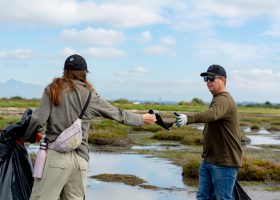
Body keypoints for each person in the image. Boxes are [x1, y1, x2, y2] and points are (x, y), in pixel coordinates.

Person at [22, 54, 156, 200]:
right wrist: (142, 119)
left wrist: (26, 137)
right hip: (80, 160)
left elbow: (38, 119)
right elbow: (117, 114)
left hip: (55, 158)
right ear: (84, 73)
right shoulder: (91, 96)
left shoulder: (53, 89)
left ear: (65, 71)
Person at [175, 65, 242, 200]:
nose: (208, 81)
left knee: (223, 198)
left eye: (211, 78)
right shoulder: (217, 98)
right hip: (209, 160)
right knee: (202, 197)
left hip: (224, 162)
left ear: (222, 80)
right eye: (206, 78)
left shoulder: (224, 100)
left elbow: (212, 114)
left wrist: (188, 118)